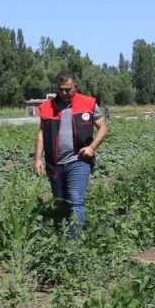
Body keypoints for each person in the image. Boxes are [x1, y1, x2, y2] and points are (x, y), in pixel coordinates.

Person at [33, 71, 108, 236]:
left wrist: (92, 147)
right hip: (55, 164)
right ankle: (62, 234)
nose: (65, 93)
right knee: (60, 202)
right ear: (57, 88)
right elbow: (41, 133)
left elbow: (103, 127)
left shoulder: (87, 103)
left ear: (76, 86)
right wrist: (37, 158)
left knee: (75, 199)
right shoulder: (47, 107)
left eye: (69, 89)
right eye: (61, 90)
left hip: (79, 160)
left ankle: (73, 242)